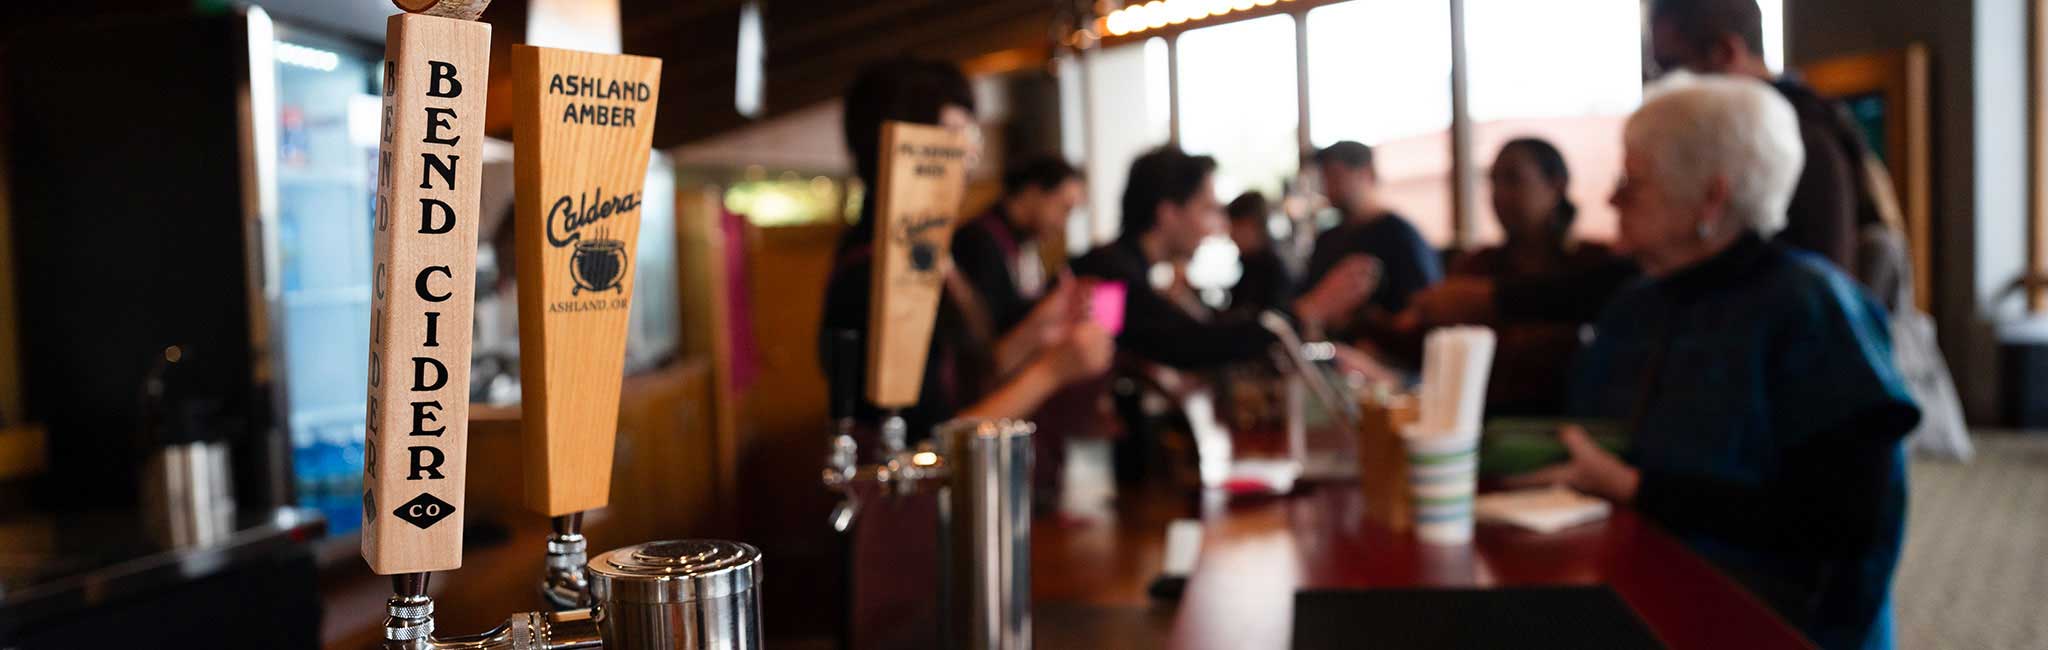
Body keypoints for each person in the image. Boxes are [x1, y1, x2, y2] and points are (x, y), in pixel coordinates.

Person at [1507, 76, 1918, 650]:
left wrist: (1632, 486)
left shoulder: (1813, 309)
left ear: (1712, 198)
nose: (1610, 199)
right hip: (1637, 590)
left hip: (1772, 622)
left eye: (1633, 181)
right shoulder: (1642, 300)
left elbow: (1842, 525)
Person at [817, 60, 1111, 438]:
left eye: (969, 137)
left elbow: (976, 371)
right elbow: (931, 443)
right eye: (953, 137)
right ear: (899, 147)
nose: (969, 159)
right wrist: (1054, 371)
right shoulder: (876, 272)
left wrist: (1040, 328)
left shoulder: (926, 252)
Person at [1070, 145, 1375, 370]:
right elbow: (1188, 345)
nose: (1215, 227)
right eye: (1207, 209)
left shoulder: (1119, 266)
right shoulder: (1107, 276)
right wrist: (1307, 310)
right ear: (1169, 213)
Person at [1441, 138, 1624, 414]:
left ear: (1557, 185)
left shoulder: (1596, 265)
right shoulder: (1476, 265)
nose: (1499, 195)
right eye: (1493, 181)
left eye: (1513, 179)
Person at [1303, 141, 1441, 322]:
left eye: (1336, 175)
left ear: (1366, 174)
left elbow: (1424, 309)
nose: (1328, 186)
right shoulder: (1327, 239)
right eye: (1325, 177)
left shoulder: (1400, 236)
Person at [1224, 191, 1296, 319]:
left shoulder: (1273, 271)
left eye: (1235, 227)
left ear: (1251, 225)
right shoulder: (1250, 265)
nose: (1231, 236)